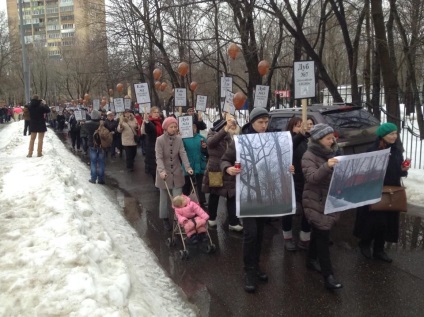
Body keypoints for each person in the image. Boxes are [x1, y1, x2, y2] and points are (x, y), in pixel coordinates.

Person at [221, 107, 295, 293]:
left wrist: (289, 168)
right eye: (260, 122)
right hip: (248, 194)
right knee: (251, 234)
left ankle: (256, 266)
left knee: (261, 233)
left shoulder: (273, 138)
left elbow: (281, 160)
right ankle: (249, 271)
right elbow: (225, 160)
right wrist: (228, 169)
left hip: (266, 195)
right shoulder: (241, 140)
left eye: (266, 122)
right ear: (252, 122)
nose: (264, 125)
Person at [353, 122, 409, 263]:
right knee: (373, 220)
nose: (394, 136)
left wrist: (403, 169)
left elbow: (398, 171)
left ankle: (379, 249)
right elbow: (364, 170)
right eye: (391, 134)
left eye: (396, 133)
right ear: (383, 135)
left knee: (387, 222)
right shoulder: (372, 150)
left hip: (391, 190)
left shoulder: (397, 150)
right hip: (373, 189)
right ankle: (365, 243)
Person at [302, 123, 342, 290]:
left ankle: (311, 260)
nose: (332, 140)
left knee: (319, 233)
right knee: (323, 234)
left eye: (332, 137)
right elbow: (311, 178)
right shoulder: (308, 155)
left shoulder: (335, 152)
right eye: (328, 138)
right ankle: (329, 276)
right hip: (314, 200)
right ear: (318, 140)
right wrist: (327, 166)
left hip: (330, 199)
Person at [202, 112, 243, 232]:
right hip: (215, 169)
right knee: (214, 194)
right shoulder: (213, 133)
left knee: (231, 194)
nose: (233, 126)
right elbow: (210, 143)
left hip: (230, 168)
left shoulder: (235, 136)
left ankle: (233, 222)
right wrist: (225, 129)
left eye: (234, 123)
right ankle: (212, 218)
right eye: (231, 123)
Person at [155, 117, 193, 231]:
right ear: (166, 128)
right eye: (171, 127)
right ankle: (165, 219)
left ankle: (178, 219)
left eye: (175, 126)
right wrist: (161, 171)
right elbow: (159, 157)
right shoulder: (160, 140)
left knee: (178, 199)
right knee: (164, 199)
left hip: (177, 172)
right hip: (164, 174)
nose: (174, 129)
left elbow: (183, 153)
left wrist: (188, 167)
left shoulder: (179, 139)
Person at [281, 117, 312, 251]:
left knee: (308, 210)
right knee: (289, 210)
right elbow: (291, 145)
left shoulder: (307, 140)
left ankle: (305, 238)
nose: (301, 128)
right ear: (291, 127)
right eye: (298, 126)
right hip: (292, 180)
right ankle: (287, 238)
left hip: (306, 180)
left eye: (302, 126)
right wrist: (300, 134)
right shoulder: (288, 140)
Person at [182, 122, 208, 208]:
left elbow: (207, 153)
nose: (192, 129)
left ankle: (202, 201)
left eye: (194, 127)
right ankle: (185, 201)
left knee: (200, 184)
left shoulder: (202, 138)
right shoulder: (183, 139)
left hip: (200, 164)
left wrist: (205, 148)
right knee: (187, 184)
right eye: (190, 127)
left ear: (196, 128)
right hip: (188, 165)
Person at [81, 110, 106, 184]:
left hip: (92, 144)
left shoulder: (87, 124)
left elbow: (85, 131)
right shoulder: (102, 123)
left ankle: (93, 178)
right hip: (101, 144)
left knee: (93, 162)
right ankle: (101, 179)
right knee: (101, 162)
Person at [143, 107, 163, 182]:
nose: (157, 114)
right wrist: (147, 121)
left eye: (158, 112)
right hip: (152, 147)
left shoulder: (161, 122)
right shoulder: (150, 122)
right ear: (151, 114)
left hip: (162, 146)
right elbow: (149, 129)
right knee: (154, 166)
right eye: (155, 112)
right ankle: (156, 182)